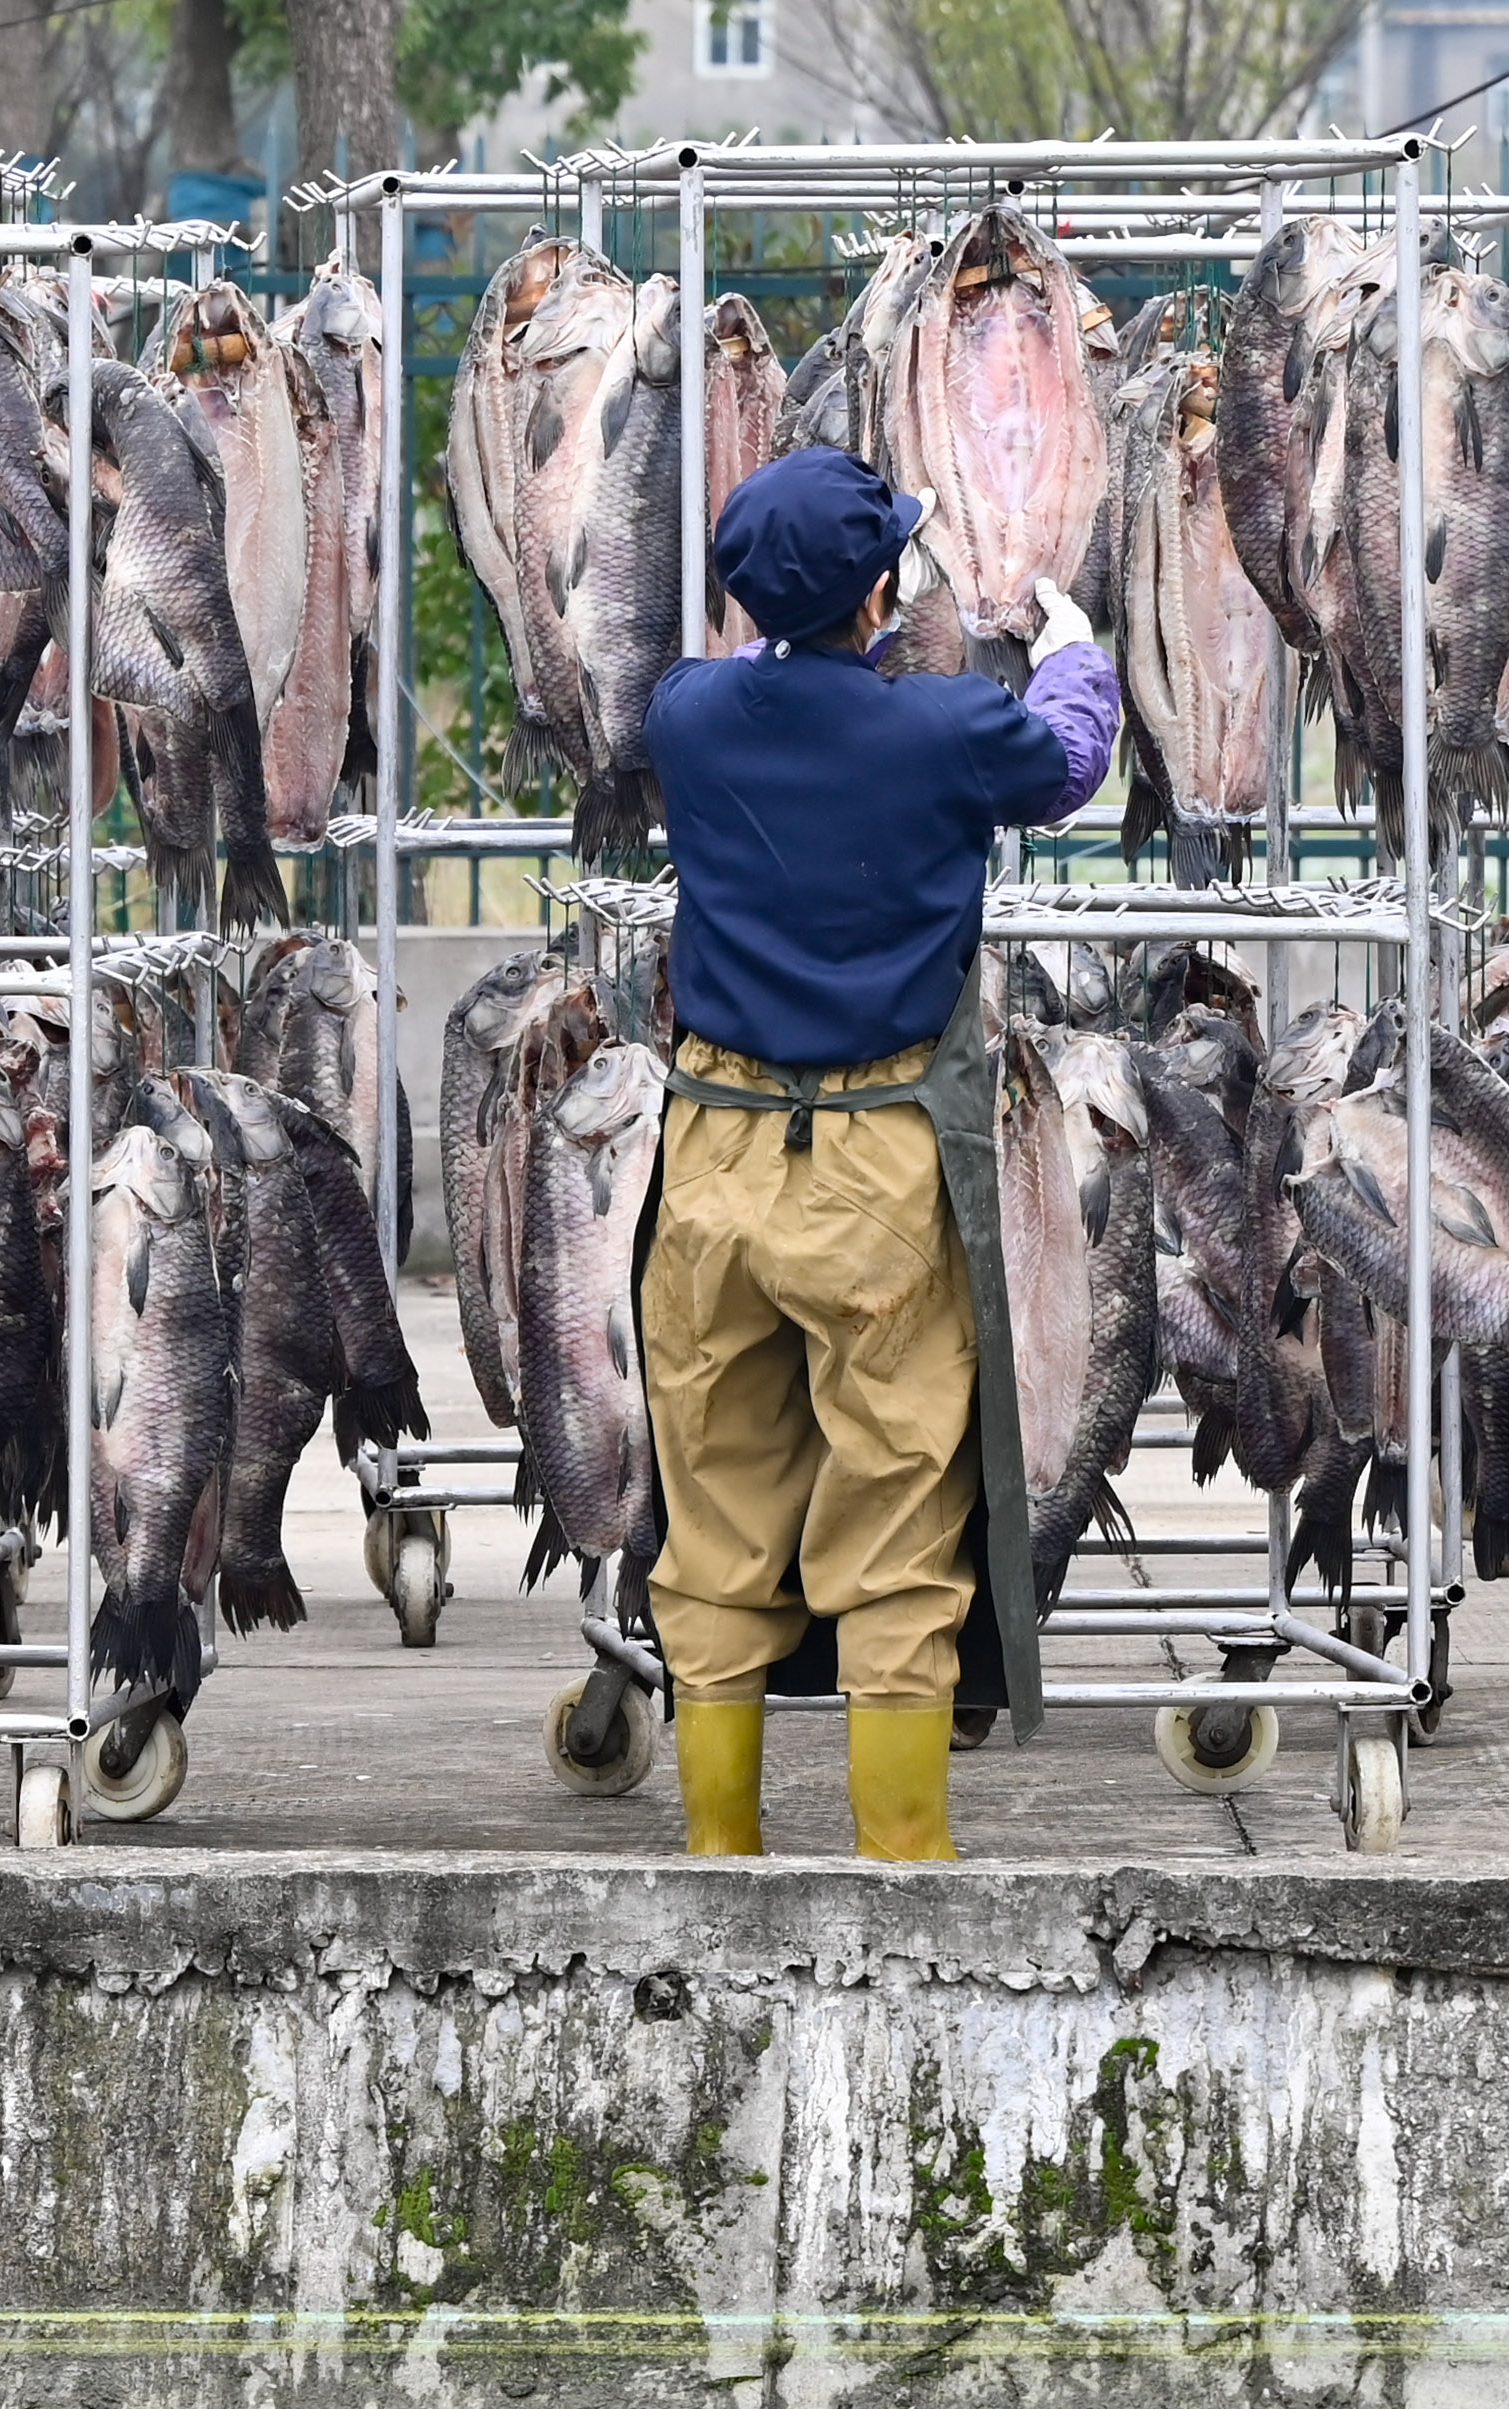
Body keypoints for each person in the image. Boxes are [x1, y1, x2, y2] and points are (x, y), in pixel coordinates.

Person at [635, 448, 1124, 1862]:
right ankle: (902, 1871)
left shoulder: (689, 717)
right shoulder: (947, 731)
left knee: (715, 1520)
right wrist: (1076, 652)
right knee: (898, 1520)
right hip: (875, 1170)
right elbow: (1070, 764)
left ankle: (721, 1858)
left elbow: (737, 673)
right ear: (880, 596)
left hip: (715, 1161)